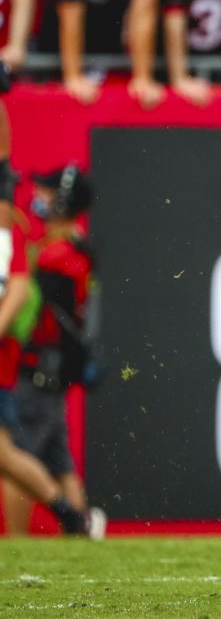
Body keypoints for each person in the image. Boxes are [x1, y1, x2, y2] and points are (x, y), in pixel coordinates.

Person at [3, 167, 105, 537]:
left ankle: (15, 541)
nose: (38, 198)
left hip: (38, 372)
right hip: (51, 373)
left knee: (14, 459)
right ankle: (79, 529)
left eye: (46, 192)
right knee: (60, 465)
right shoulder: (73, 249)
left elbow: (20, 285)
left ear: (62, 202)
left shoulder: (57, 255)